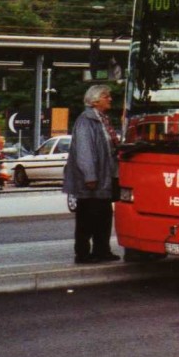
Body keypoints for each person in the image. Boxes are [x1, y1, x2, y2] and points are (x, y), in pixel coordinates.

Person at [62, 85, 120, 264]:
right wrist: (90, 176)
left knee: (103, 215)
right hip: (93, 179)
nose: (110, 99)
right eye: (106, 96)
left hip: (104, 178)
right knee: (87, 217)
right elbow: (84, 151)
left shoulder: (101, 119)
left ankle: (102, 250)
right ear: (95, 100)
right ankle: (83, 253)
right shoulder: (86, 120)